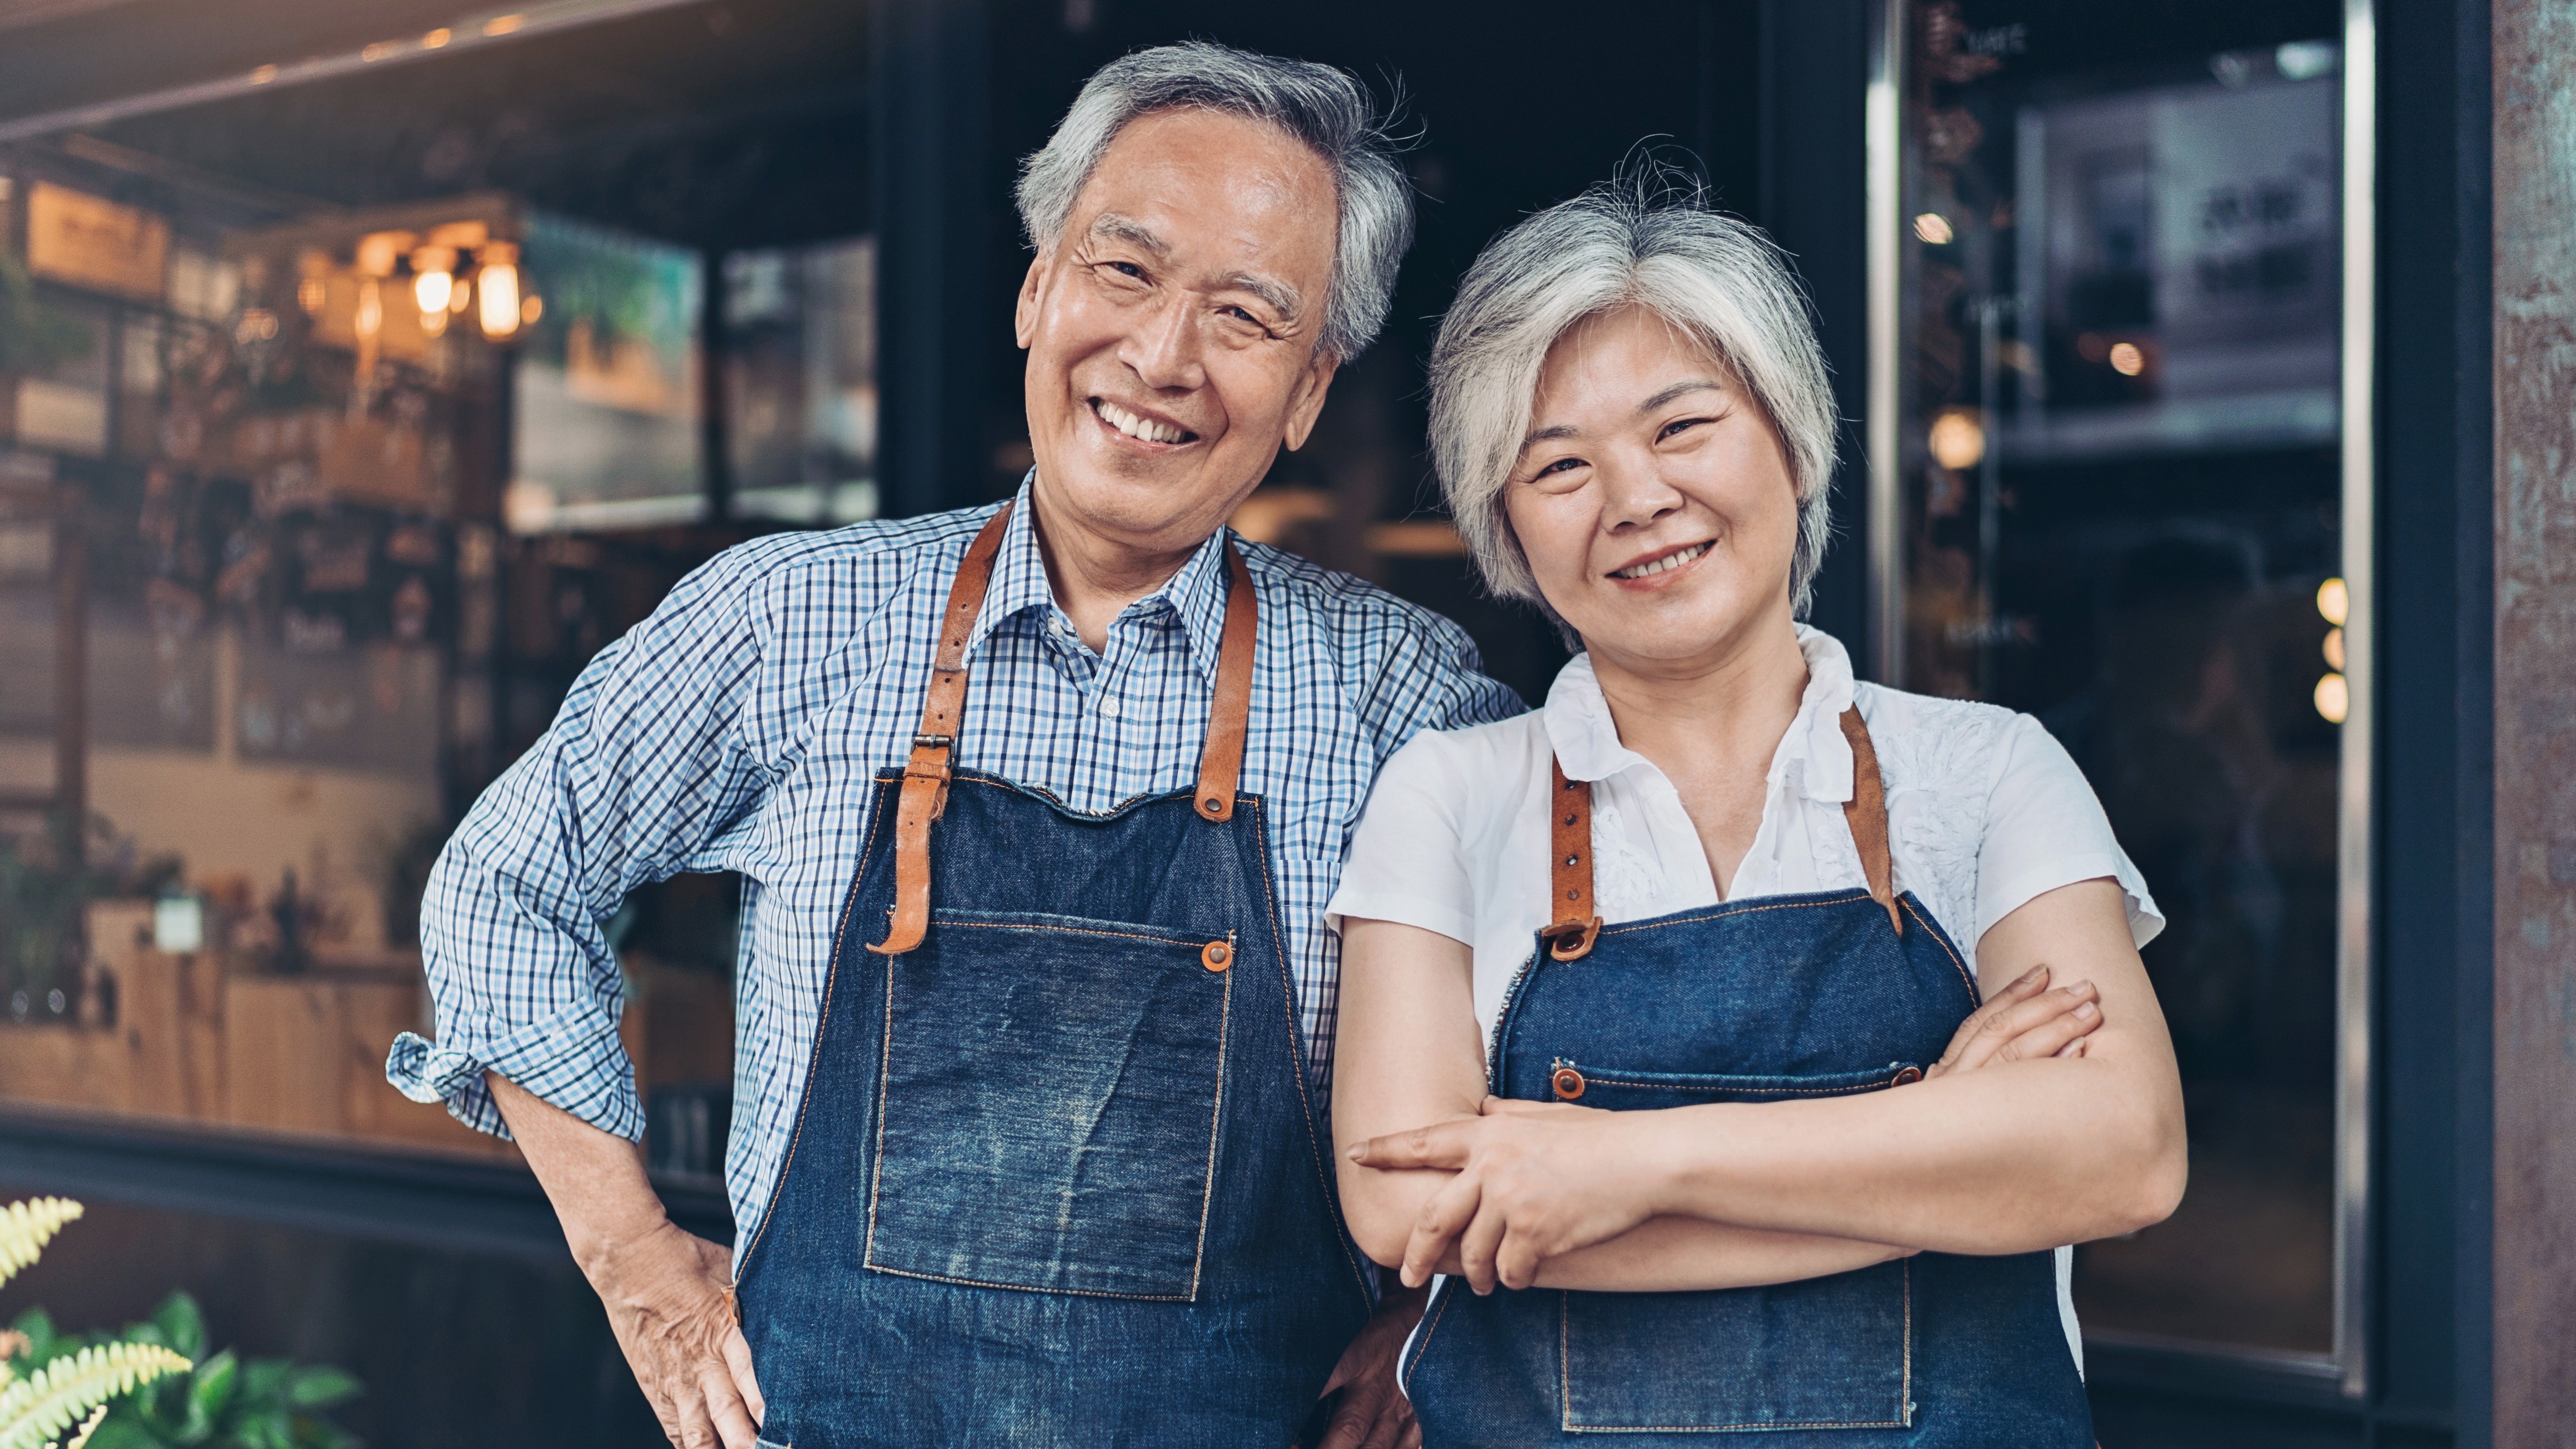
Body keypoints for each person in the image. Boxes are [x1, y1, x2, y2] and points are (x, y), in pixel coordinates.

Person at [388, 42, 1522, 1449]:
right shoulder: (789, 616)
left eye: (1244, 313)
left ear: (1307, 389)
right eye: (1124, 271)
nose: (1163, 357)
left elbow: (1563, 1039)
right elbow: (505, 884)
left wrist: (1439, 1322)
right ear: (1038, 287)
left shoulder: (1398, 693)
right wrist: (635, 1264)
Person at [1327, 178, 2187, 1446]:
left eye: (1682, 427)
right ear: (1501, 523)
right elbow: (1416, 1213)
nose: (1633, 498)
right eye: (1557, 464)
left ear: (1788, 437)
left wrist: (1621, 1167)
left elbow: (2123, 1155)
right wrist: (1943, 1147)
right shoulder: (1449, 794)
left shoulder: (1991, 771)